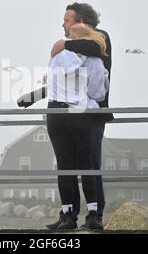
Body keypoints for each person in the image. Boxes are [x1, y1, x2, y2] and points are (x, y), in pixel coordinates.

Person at [17, 3, 113, 227]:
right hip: (80, 111)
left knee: (86, 164)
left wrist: (63, 45)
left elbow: (92, 51)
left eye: (67, 20)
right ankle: (75, 214)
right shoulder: (71, 50)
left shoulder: (99, 39)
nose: (63, 24)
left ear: (80, 22)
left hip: (87, 115)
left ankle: (91, 215)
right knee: (78, 165)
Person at [46, 23, 109, 230]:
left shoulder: (57, 57)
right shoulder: (93, 61)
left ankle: (67, 216)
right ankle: (92, 214)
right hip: (78, 116)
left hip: (55, 115)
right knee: (86, 165)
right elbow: (98, 93)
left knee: (64, 167)